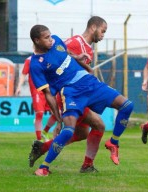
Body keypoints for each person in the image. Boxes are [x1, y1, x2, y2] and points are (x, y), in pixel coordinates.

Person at [29, 24, 133, 176]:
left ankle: (113, 142)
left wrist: (80, 61)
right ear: (37, 40)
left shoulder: (56, 41)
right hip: (71, 92)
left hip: (89, 83)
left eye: (51, 36)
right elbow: (48, 94)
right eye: (46, 38)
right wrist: (58, 119)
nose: (51, 40)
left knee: (127, 106)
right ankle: (44, 167)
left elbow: (67, 53)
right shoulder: (35, 64)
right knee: (69, 130)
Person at [15, 56, 57, 142]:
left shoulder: (49, 58)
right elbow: (23, 74)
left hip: (49, 90)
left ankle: (44, 132)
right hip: (37, 90)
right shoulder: (29, 60)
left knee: (57, 113)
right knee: (40, 113)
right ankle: (39, 139)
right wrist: (19, 87)